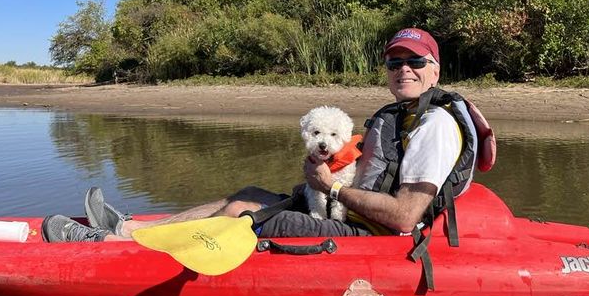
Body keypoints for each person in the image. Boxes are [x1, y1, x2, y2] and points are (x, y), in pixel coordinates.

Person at [42, 28, 478, 246]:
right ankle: (134, 230)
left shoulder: (435, 125)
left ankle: (119, 250)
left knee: (243, 209)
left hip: (371, 235)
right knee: (248, 190)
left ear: (435, 70)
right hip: (350, 209)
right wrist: (330, 171)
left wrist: (333, 186)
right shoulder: (404, 115)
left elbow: (404, 217)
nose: (404, 69)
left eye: (415, 61)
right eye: (394, 62)